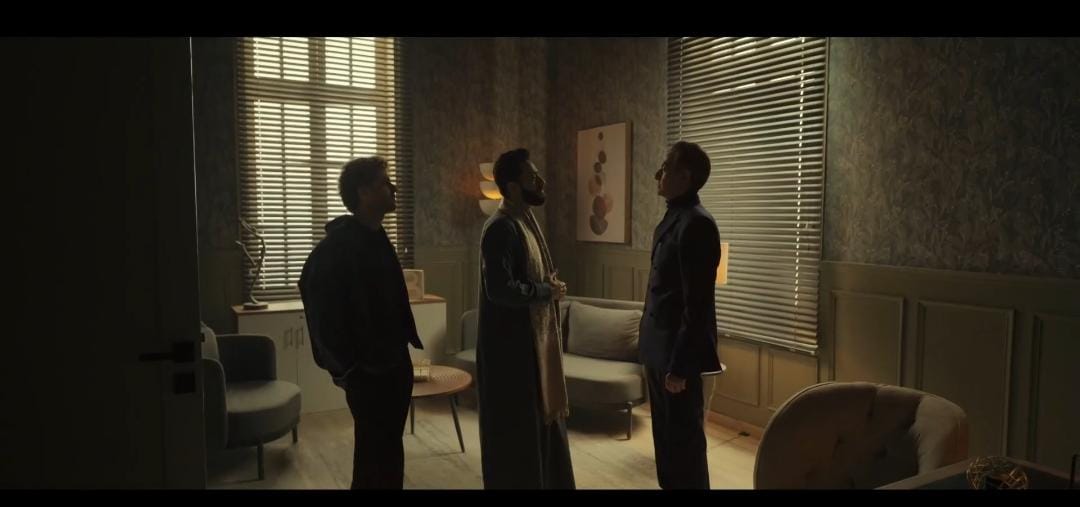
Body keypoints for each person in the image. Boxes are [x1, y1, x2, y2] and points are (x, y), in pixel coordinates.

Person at [298, 156, 423, 489]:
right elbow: (320, 311)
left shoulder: (378, 238)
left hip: (394, 364)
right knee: (372, 457)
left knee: (389, 452)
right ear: (364, 192)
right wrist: (348, 369)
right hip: (367, 373)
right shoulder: (336, 248)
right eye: (384, 182)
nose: (393, 188)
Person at [475, 148, 575, 489]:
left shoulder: (524, 222)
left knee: (539, 427)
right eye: (532, 177)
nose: (541, 182)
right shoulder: (501, 228)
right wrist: (546, 291)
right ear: (513, 187)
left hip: (530, 347)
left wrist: (547, 288)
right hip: (510, 352)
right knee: (517, 435)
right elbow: (500, 290)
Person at [639, 141, 723, 489]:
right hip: (659, 351)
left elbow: (697, 306)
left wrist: (680, 366)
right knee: (666, 442)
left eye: (666, 167)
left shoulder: (698, 224)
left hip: (676, 357)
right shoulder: (674, 217)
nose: (657, 173)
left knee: (684, 447)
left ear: (684, 177)